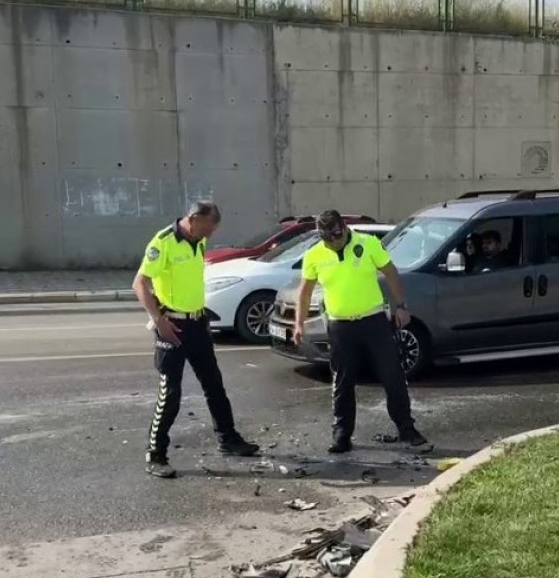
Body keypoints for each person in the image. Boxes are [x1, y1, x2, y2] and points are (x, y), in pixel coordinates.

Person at [132, 200, 259, 479]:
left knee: (214, 384)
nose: (211, 233)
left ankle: (228, 439)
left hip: (197, 324)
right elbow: (140, 283)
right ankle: (156, 454)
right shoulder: (163, 242)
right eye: (209, 227)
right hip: (172, 327)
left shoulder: (197, 242)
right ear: (193, 219)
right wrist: (158, 320)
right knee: (171, 393)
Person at [292, 210, 429, 454]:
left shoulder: (367, 244)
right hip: (340, 326)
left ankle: (407, 428)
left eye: (336, 234)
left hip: (374, 321)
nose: (334, 241)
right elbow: (305, 291)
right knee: (343, 381)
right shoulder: (314, 255)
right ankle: (342, 435)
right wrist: (299, 323)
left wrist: (400, 305)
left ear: (343, 227)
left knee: (392, 376)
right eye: (327, 238)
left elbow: (391, 272)